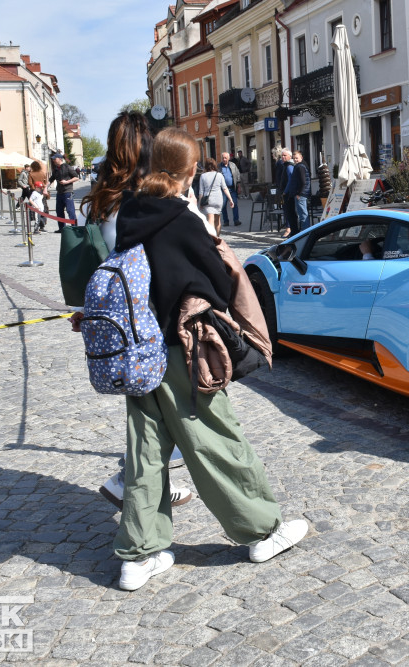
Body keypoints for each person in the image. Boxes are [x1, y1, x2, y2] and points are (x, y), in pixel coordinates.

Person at [110, 127, 308, 591]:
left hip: (140, 350)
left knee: (146, 450)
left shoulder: (130, 212)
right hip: (183, 348)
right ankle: (262, 530)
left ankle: (139, 556)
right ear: (191, 170)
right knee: (217, 436)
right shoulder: (182, 219)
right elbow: (215, 283)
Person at [77, 111, 194, 511]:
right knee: (172, 409)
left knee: (148, 408)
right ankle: (127, 479)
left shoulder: (102, 196)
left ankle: (145, 482)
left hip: (117, 315)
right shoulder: (147, 200)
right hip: (151, 315)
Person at [199, 158, 234, 236]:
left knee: (210, 220)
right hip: (218, 199)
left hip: (208, 200)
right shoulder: (219, 175)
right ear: (215, 165)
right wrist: (231, 199)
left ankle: (212, 239)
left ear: (206, 166)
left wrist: (200, 202)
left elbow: (201, 191)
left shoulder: (203, 176)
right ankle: (217, 237)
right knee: (218, 220)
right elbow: (225, 188)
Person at [48, 152, 79, 233]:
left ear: (60, 159)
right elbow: (51, 179)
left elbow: (76, 177)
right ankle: (62, 228)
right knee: (59, 211)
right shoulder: (55, 169)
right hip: (59, 193)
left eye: (55, 159)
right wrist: (45, 188)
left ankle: (75, 227)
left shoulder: (67, 167)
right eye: (53, 159)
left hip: (67, 192)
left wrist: (67, 182)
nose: (54, 160)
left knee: (70, 210)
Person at [218, 152, 242, 227]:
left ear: (228, 158)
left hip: (232, 189)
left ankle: (236, 220)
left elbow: (237, 175)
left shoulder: (232, 165)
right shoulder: (219, 167)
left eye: (225, 158)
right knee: (223, 205)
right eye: (223, 158)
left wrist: (238, 185)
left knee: (234, 203)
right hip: (223, 190)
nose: (224, 159)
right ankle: (226, 221)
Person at [278, 149, 296, 237]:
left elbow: (290, 180)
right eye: (282, 155)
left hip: (288, 194)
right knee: (286, 211)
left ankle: (289, 229)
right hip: (285, 192)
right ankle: (289, 228)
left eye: (285, 155)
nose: (283, 157)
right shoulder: (285, 165)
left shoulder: (289, 166)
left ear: (290, 156)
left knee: (289, 211)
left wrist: (285, 191)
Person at [291, 151, 311, 231]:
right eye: (294, 158)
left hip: (301, 194)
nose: (295, 160)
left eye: (297, 158)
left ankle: (305, 232)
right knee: (302, 213)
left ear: (301, 158)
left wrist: (299, 193)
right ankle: (305, 231)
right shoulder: (303, 165)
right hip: (303, 193)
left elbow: (303, 181)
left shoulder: (300, 167)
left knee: (303, 214)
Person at [27, 160, 49, 231]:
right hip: (42, 191)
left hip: (34, 191)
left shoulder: (31, 174)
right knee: (43, 207)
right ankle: (42, 225)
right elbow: (45, 182)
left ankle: (37, 224)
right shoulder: (42, 173)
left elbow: (30, 183)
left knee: (35, 208)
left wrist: (34, 189)